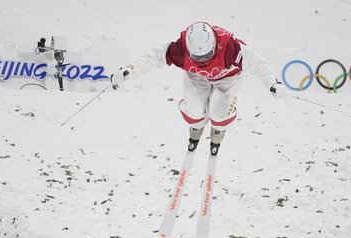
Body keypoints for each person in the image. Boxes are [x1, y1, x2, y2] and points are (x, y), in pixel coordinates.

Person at [111, 22, 289, 156]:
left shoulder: (230, 47)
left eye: (207, 54)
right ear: (188, 50)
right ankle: (197, 122)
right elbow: (153, 57)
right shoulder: (180, 50)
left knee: (219, 113)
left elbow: (258, 64)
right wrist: (130, 70)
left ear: (214, 45)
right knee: (194, 112)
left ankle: (219, 125)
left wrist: (273, 84)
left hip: (228, 77)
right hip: (198, 77)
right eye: (197, 56)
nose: (203, 60)